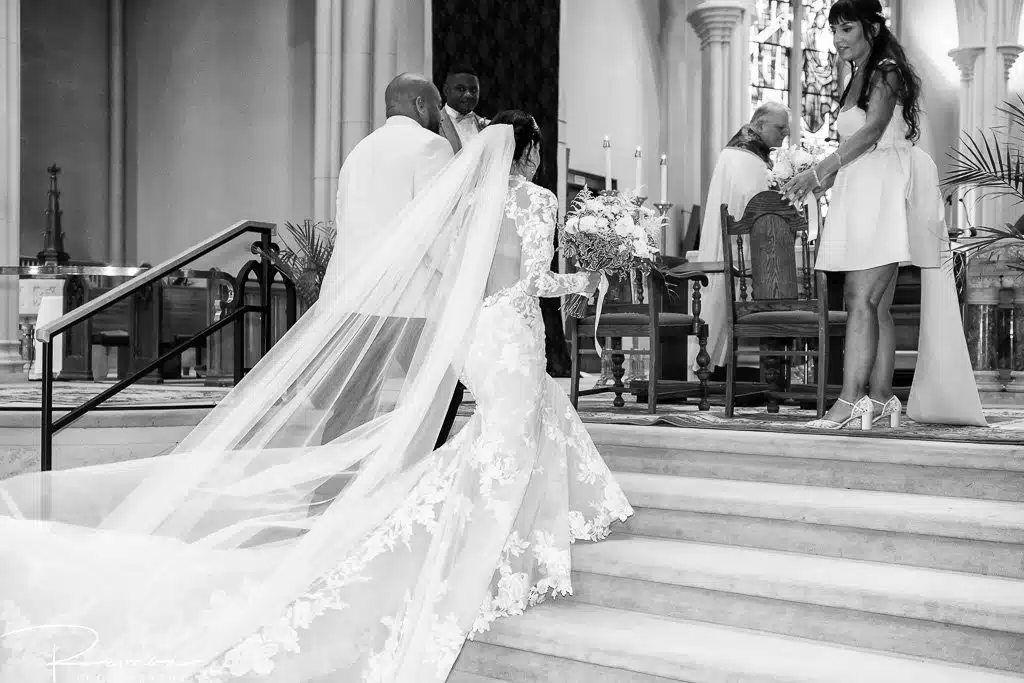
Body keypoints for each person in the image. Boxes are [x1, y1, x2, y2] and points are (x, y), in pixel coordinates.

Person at [0, 113, 631, 682]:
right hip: (510, 330)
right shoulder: (540, 201)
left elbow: (455, 265)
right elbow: (533, 279)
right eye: (539, 153)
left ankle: (516, 525)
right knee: (507, 439)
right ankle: (492, 545)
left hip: (474, 333)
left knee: (503, 434)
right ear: (529, 155)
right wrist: (590, 274)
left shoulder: (456, 192)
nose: (539, 165)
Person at [782, 0, 985, 429]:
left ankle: (848, 401)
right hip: (861, 189)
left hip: (882, 193)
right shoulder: (858, 74)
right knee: (877, 308)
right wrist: (821, 182)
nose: (837, 39)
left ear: (872, 28)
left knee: (861, 299)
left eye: (847, 28)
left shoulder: (885, 69)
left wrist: (822, 168)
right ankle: (881, 397)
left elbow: (874, 131)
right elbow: (862, 145)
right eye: (833, 30)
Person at [328, 72, 463, 449]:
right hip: (409, 300)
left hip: (353, 297)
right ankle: (416, 479)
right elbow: (435, 231)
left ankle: (331, 485)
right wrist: (463, 277)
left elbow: (344, 223)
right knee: (441, 391)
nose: (440, 115)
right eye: (437, 105)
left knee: (351, 403)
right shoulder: (431, 147)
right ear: (421, 104)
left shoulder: (359, 151)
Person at [688, 102, 790, 377]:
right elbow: (756, 205)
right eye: (780, 128)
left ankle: (715, 367)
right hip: (738, 251)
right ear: (759, 125)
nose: (785, 134)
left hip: (742, 249)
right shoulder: (743, 157)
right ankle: (709, 367)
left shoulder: (748, 155)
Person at [438, 65, 489, 153]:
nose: (468, 95)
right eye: (461, 89)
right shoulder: (433, 124)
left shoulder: (488, 126)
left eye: (473, 90)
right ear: (446, 90)